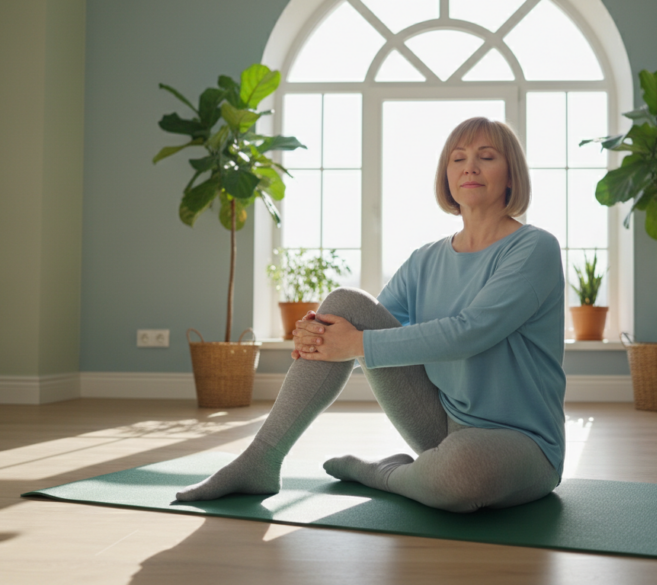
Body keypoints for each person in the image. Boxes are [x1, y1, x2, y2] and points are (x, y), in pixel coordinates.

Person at [176, 117, 566, 513]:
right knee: (343, 305)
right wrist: (317, 333)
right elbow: (361, 323)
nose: (470, 167)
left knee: (458, 475)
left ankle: (381, 473)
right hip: (440, 424)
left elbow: (471, 332)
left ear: (511, 175)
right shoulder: (425, 259)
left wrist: (355, 343)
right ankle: (261, 458)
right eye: (458, 158)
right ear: (446, 175)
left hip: (524, 443)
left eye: (486, 157)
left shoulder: (535, 248)